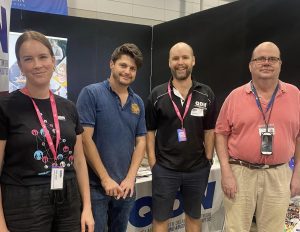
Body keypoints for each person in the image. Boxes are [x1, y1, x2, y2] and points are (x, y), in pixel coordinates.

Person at [0, 31, 94, 232]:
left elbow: (79, 160)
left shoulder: (69, 107)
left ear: (53, 61)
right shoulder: (5, 106)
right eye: (28, 59)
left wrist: (87, 207)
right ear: (20, 66)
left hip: (68, 197)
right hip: (24, 200)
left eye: (43, 57)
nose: (37, 64)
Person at [215, 41, 300, 231]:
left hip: (279, 174)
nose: (266, 62)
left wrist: (297, 174)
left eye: (272, 58)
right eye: (260, 58)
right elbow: (220, 134)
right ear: (251, 65)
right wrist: (226, 172)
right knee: (235, 228)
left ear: (280, 64)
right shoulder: (235, 96)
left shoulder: (295, 95)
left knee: (273, 229)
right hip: (241, 173)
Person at [145, 42, 217, 232]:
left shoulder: (206, 94)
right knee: (160, 218)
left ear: (193, 61)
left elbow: (210, 130)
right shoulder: (157, 95)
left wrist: (208, 158)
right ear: (169, 62)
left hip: (197, 169)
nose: (180, 62)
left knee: (194, 216)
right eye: (175, 58)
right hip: (165, 169)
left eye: (185, 57)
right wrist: (153, 163)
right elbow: (149, 131)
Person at [76, 43, 146, 232]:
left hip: (125, 187)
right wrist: (105, 178)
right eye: (123, 65)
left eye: (132, 68)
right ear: (111, 64)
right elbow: (84, 139)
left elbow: (141, 141)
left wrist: (131, 178)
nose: (127, 71)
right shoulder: (91, 93)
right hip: (95, 187)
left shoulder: (137, 102)